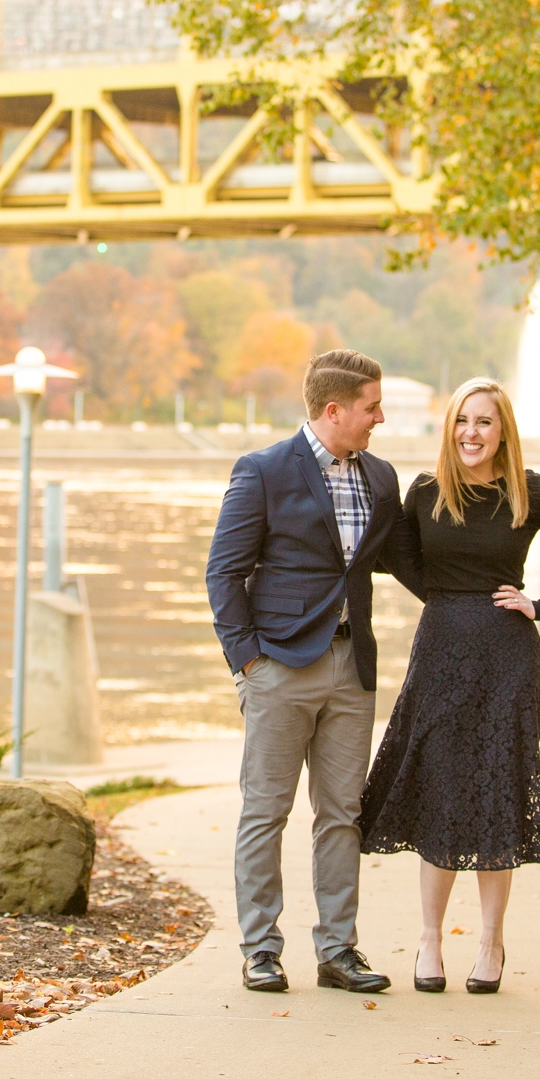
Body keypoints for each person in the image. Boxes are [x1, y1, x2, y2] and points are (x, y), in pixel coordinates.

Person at [359, 377, 540, 994]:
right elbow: (396, 557)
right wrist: (448, 602)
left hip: (507, 656)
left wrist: (539, 604)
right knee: (443, 787)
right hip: (441, 651)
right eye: (463, 421)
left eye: (484, 422)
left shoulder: (530, 490)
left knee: (497, 791)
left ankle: (492, 943)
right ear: (451, 428)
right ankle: (428, 939)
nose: (471, 433)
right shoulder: (424, 491)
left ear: (503, 431)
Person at [207, 349, 419, 995]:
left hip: (351, 669)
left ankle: (338, 950)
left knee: (342, 814)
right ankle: (261, 949)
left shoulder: (381, 477)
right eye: (370, 407)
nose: (379, 417)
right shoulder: (265, 471)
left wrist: (480, 595)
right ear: (334, 410)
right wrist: (248, 662)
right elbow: (223, 572)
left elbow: (409, 565)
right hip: (278, 665)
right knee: (265, 811)